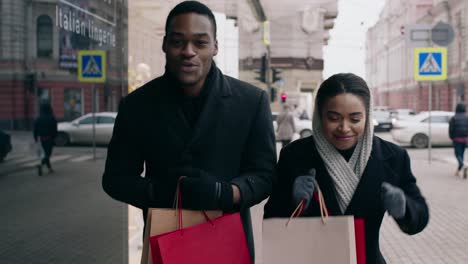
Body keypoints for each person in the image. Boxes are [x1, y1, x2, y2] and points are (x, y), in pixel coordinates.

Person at [102, 1, 276, 262]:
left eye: (200, 43)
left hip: (227, 245)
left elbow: (265, 175)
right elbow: (115, 179)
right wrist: (159, 193)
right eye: (178, 42)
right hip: (165, 242)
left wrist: (226, 193)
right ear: (164, 45)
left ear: (215, 47)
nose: (188, 51)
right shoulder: (137, 105)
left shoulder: (252, 102)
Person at [264, 73, 429, 263]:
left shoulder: (392, 157)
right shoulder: (295, 156)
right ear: (319, 115)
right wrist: (291, 201)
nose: (344, 127)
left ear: (368, 116)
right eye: (334, 118)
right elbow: (270, 221)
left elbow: (420, 218)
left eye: (355, 119)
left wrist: (405, 208)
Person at [33, 103, 58, 176]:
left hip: (41, 139)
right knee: (48, 154)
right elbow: (54, 129)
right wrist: (54, 137)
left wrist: (35, 138)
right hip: (49, 139)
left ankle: (50, 169)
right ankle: (40, 164)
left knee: (46, 154)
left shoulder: (38, 118)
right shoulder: (51, 117)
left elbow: (35, 129)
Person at [449, 102, 468, 179]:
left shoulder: (454, 118)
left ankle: (463, 165)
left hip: (457, 139)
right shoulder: (467, 118)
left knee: (457, 154)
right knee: (462, 154)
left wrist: (452, 137)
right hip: (465, 139)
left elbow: (451, 129)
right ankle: (458, 170)